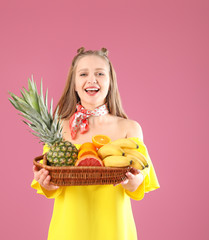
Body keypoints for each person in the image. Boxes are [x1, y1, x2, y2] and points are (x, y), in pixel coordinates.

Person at [31, 47, 160, 240]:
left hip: (115, 231)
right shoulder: (57, 128)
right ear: (74, 84)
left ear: (110, 83)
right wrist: (47, 182)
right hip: (69, 231)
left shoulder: (129, 128)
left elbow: (138, 184)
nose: (92, 79)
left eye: (100, 73)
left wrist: (134, 181)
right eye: (83, 74)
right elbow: (51, 187)